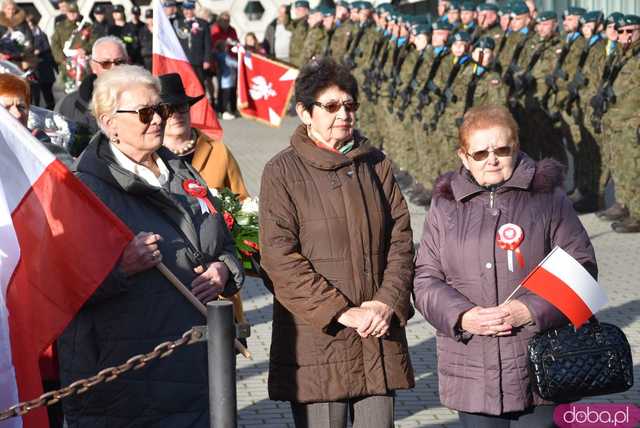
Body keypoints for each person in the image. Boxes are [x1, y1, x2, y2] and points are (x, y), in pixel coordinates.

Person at [57, 65, 244, 427]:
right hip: (129, 385)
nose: (158, 119)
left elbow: (223, 242)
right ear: (109, 122)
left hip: (197, 368)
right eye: (145, 113)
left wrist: (224, 270)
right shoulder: (85, 190)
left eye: (160, 109)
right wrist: (122, 267)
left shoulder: (182, 172)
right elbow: (64, 285)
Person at [414, 105, 597, 428]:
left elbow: (581, 268)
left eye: (501, 149)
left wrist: (528, 310)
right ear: (463, 156)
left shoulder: (548, 196)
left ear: (516, 146)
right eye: (480, 153)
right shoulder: (445, 205)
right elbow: (425, 278)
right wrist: (462, 316)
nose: (492, 160)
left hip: (541, 364)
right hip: (472, 367)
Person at [259, 57, 414, 428]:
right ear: (304, 112)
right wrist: (343, 312)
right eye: (330, 106)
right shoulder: (281, 172)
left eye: (349, 105)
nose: (343, 114)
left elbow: (402, 240)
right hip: (319, 341)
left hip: (376, 335)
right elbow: (280, 260)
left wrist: (385, 303)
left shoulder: (375, 163)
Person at [55, 35, 128, 149]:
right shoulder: (70, 104)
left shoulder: (144, 99)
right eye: (106, 63)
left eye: (119, 62)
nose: (114, 68)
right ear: (93, 66)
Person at [25, 11, 57, 110]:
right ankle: (33, 108)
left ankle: (51, 108)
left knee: (46, 90)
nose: (29, 27)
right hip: (31, 67)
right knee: (33, 90)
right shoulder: (26, 35)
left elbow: (47, 48)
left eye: (30, 24)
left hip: (43, 67)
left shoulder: (41, 34)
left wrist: (38, 51)